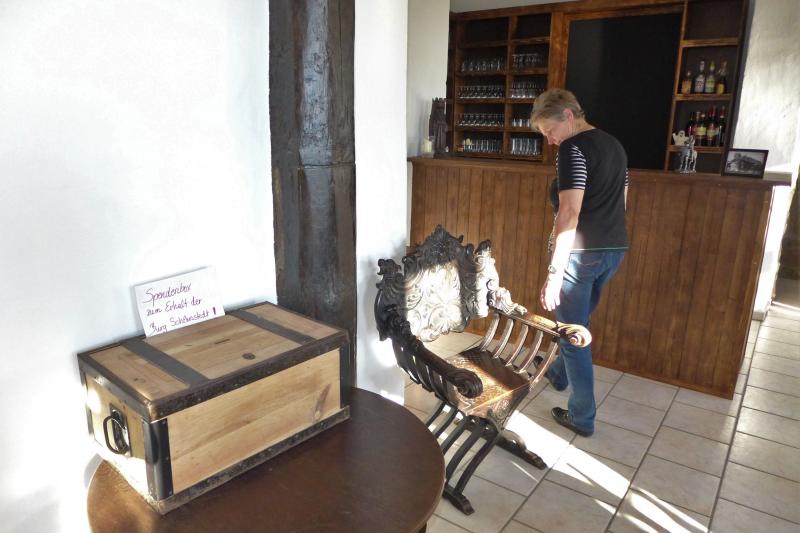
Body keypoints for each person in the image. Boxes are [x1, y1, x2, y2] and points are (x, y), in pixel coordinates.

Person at [531, 89, 628, 437]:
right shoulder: (615, 145)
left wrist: (555, 272)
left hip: (581, 255)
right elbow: (622, 202)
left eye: (550, 130)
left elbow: (569, 213)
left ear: (569, 116)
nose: (550, 141)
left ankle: (581, 417)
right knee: (579, 321)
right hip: (614, 250)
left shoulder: (573, 148)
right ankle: (558, 374)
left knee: (573, 336)